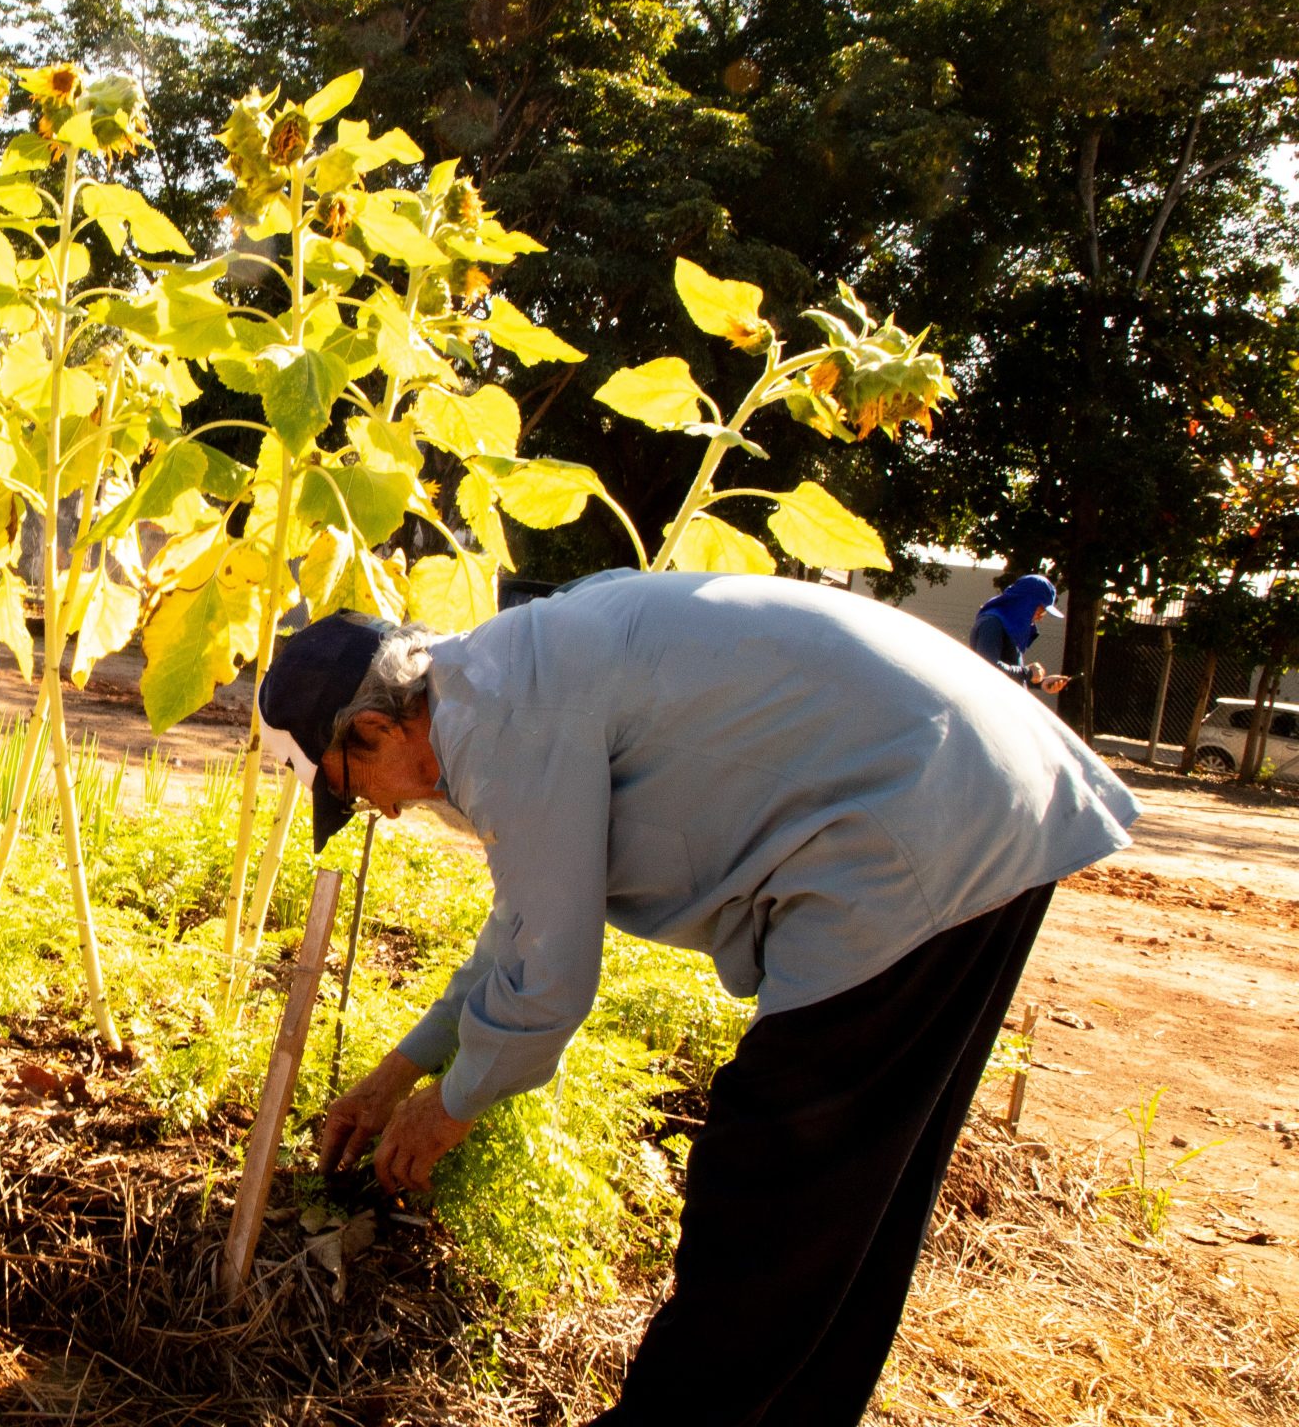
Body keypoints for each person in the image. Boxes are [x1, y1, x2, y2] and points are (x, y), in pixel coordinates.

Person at [262, 571, 1138, 1427]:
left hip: (914, 833)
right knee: (851, 1199)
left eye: (350, 786)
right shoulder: (501, 674)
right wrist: (402, 1069)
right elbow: (525, 926)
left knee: (770, 1174)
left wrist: (449, 1107)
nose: (379, 813)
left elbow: (553, 980)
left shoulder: (498, 720)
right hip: (984, 795)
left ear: (377, 728)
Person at [969, 572, 1070, 693]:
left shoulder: (1010, 626)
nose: (1041, 617)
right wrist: (1027, 673)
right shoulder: (992, 623)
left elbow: (1010, 675)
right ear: (1026, 603)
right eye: (1041, 610)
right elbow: (987, 668)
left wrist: (1041, 683)